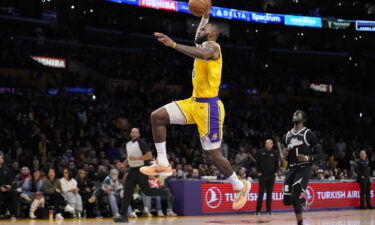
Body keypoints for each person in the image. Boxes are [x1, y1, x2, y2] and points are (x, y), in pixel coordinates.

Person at [139, 13, 251, 211]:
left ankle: (240, 185)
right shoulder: (202, 43)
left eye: (204, 30)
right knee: (157, 117)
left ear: (213, 34)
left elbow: (201, 52)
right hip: (194, 103)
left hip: (210, 109)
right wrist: (205, 16)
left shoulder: (213, 47)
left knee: (212, 155)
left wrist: (173, 44)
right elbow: (200, 34)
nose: (198, 31)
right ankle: (163, 162)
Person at [114, 128, 173, 223]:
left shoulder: (141, 143)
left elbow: (149, 155)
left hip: (141, 170)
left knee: (147, 191)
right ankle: (123, 215)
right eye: (132, 132)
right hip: (132, 171)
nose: (133, 133)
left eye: (135, 132)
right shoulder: (128, 144)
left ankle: (165, 192)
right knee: (127, 192)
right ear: (130, 133)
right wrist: (124, 164)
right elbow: (129, 157)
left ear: (138, 134)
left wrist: (137, 158)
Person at [281, 110, 325, 225]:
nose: (296, 115)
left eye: (299, 114)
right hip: (291, 168)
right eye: (295, 114)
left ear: (304, 119)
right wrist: (284, 154)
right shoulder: (287, 136)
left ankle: (300, 222)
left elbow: (321, 154)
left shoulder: (308, 134)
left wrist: (307, 158)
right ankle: (302, 200)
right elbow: (285, 156)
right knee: (286, 201)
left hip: (303, 168)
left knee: (295, 193)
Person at [255, 139, 279, 215]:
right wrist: (258, 172)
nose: (268, 145)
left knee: (269, 194)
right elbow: (257, 163)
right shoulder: (260, 152)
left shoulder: (275, 153)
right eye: (267, 143)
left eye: (270, 144)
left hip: (271, 176)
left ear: (272, 145)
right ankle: (258, 211)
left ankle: (269, 211)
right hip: (262, 176)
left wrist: (276, 172)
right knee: (261, 193)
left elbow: (277, 163)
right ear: (265, 144)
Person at [0, 154, 20, 219]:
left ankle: (15, 215)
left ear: (3, 160)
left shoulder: (7, 169)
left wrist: (9, 187)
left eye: (1, 158)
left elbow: (10, 181)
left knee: (14, 193)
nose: (0, 159)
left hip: (6, 190)